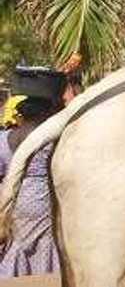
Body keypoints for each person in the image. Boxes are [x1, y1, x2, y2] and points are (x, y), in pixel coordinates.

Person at [0, 65, 66, 277]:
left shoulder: (4, 139)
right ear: (49, 113)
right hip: (43, 209)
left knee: (14, 251)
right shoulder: (55, 140)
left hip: (12, 208)